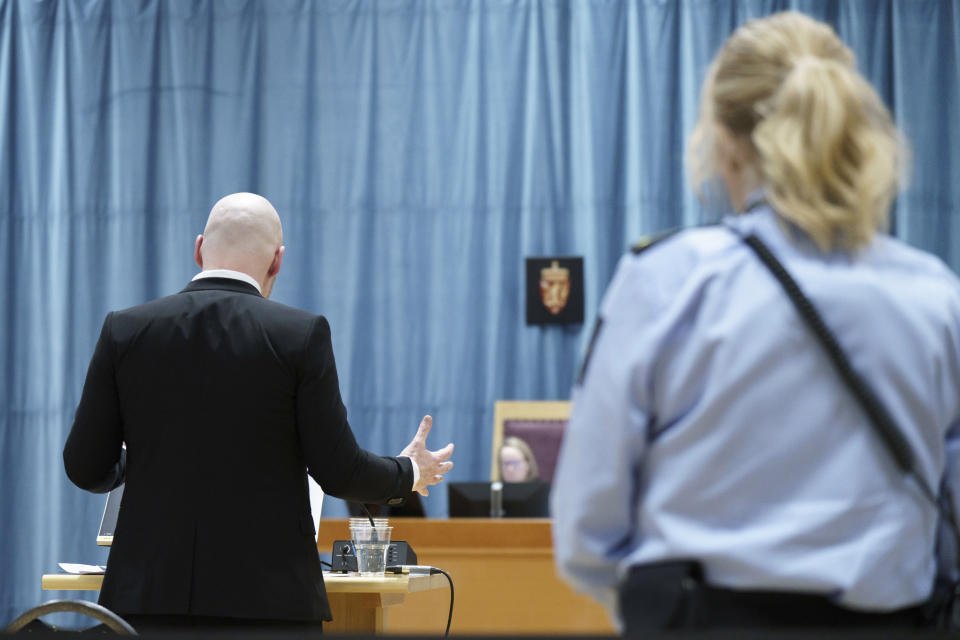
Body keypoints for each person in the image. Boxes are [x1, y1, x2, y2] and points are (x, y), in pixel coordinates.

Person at [551, 11, 960, 633]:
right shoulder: (936, 296)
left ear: (726, 139)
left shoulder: (670, 280)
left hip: (706, 618)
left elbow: (588, 522)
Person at [62, 192, 454, 631]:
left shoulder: (125, 329)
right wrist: (409, 472)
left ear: (198, 250)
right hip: (269, 607)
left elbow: (84, 467)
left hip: (144, 603)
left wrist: (148, 452)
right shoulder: (299, 335)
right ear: (277, 262)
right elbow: (339, 471)